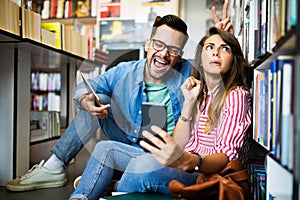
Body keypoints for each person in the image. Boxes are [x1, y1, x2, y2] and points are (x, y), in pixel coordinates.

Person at [6, 2, 232, 192]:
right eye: (158, 45)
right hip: (129, 142)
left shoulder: (188, 71)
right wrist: (86, 100)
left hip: (166, 154)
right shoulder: (125, 70)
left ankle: (113, 178)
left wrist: (221, 39)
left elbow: (215, 66)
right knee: (97, 97)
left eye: (172, 50)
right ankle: (54, 166)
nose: (163, 54)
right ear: (148, 44)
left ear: (181, 55)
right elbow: (87, 88)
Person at [68, 26, 252, 200]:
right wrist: (188, 102)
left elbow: (227, 157)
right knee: (105, 148)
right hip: (182, 162)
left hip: (205, 174)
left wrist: (191, 161)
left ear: (233, 59)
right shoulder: (199, 92)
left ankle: (112, 188)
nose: (215, 52)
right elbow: (181, 143)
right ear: (201, 59)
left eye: (225, 48)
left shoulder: (236, 96)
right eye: (210, 47)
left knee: (142, 167)